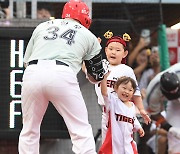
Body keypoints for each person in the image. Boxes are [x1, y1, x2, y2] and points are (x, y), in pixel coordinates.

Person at [18, 0, 106, 154]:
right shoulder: (88, 35)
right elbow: (97, 77)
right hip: (62, 74)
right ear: (85, 17)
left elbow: (26, 61)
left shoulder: (42, 26)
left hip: (33, 72)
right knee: (80, 130)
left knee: (29, 129)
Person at [92, 31, 151, 143]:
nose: (113, 52)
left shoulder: (127, 70)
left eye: (118, 50)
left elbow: (136, 92)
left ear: (125, 53)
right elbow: (87, 69)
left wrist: (142, 109)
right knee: (107, 144)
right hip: (106, 113)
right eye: (110, 49)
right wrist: (93, 49)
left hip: (122, 111)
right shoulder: (102, 65)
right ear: (105, 50)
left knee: (125, 143)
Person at [99, 75, 145, 154]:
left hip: (128, 142)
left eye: (130, 90)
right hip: (114, 142)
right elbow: (104, 93)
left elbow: (133, 119)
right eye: (124, 88)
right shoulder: (112, 101)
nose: (126, 91)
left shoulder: (132, 106)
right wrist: (104, 78)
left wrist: (139, 128)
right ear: (116, 88)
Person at [144, 62, 180, 154]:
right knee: (175, 142)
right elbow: (154, 114)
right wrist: (170, 128)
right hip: (174, 104)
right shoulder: (153, 92)